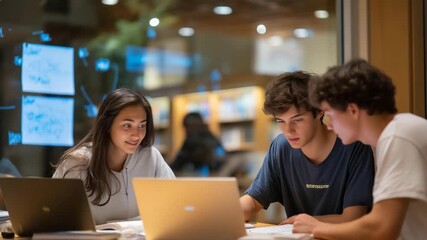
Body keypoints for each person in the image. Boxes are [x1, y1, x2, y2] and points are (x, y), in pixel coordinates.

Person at [289, 59, 427, 239]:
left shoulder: (398, 136)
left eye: (330, 115)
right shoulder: (401, 130)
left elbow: (381, 228)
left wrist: (316, 227)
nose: (329, 126)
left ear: (353, 110)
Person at [240, 71, 375, 224]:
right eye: (280, 121)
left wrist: (303, 222)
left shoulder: (353, 146)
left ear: (319, 111)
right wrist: (227, 212)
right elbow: (254, 200)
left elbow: (354, 218)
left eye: (297, 120)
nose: (288, 130)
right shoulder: (281, 147)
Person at [53, 88, 175, 224]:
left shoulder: (151, 157)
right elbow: (54, 221)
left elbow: (175, 205)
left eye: (142, 125)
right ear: (108, 125)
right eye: (127, 125)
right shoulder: (76, 164)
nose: (136, 135)